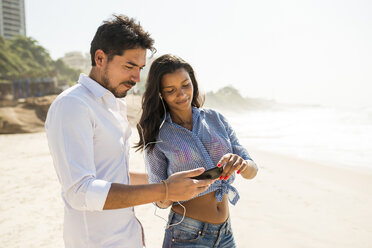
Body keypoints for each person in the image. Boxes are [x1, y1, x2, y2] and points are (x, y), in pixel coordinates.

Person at [45, 16, 214, 248]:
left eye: (140, 68)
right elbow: (80, 191)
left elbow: (114, 175)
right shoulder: (73, 105)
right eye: (129, 67)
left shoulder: (113, 106)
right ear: (100, 58)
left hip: (129, 238)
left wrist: (172, 182)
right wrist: (164, 190)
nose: (136, 78)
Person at [136, 54, 259, 247]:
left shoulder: (215, 118)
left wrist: (241, 164)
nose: (182, 94)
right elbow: (158, 200)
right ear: (160, 94)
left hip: (225, 233)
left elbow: (252, 170)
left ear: (193, 82)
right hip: (186, 235)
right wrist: (170, 190)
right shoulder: (158, 135)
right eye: (171, 90)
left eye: (186, 85)